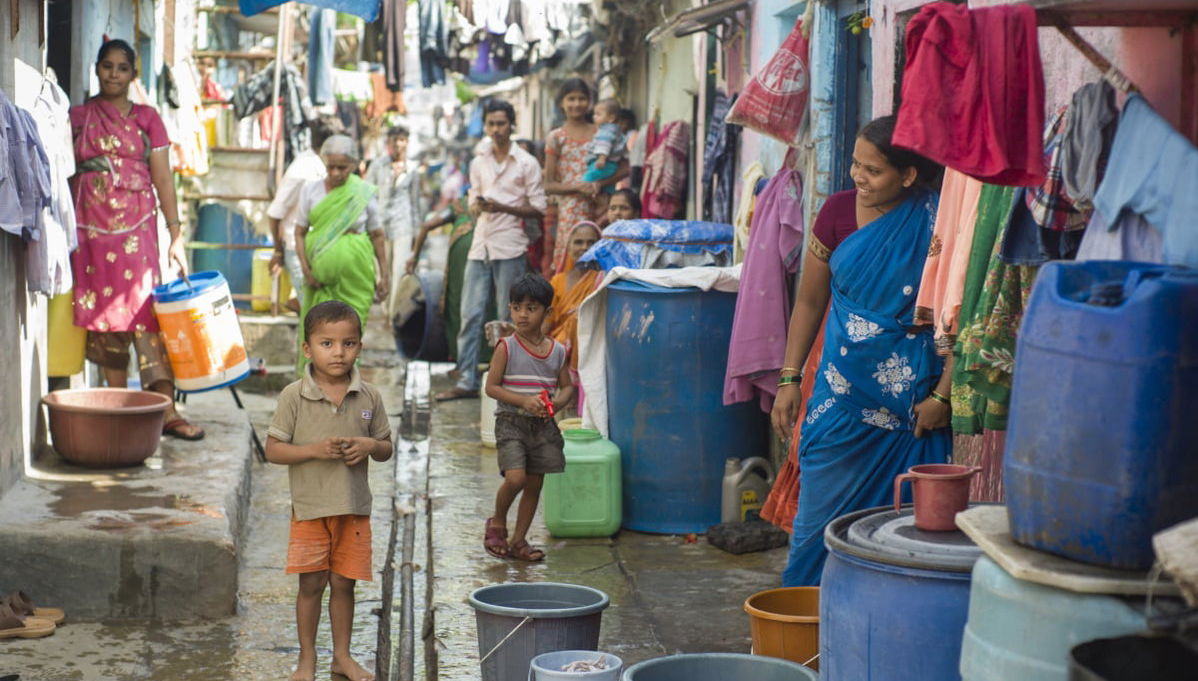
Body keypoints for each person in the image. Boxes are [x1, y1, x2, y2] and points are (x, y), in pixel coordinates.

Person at [770, 115, 951, 587]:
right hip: (840, 401)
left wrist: (944, 397)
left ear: (907, 175)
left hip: (915, 412)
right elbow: (809, 301)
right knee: (813, 533)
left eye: (873, 170)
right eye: (855, 164)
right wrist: (789, 378)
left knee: (900, 542)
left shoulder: (937, 220)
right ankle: (800, 636)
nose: (858, 176)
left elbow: (958, 315)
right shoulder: (836, 212)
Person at [68, 38, 203, 440]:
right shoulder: (79, 116)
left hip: (139, 230)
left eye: (122, 68)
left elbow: (163, 178)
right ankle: (118, 412)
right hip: (91, 230)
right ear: (97, 69)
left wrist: (175, 236)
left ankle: (166, 411)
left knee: (146, 315)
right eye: (107, 66)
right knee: (107, 321)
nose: (113, 74)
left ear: (133, 74)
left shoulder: (148, 118)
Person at [265, 300, 393, 681]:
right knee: (311, 584)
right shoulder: (294, 395)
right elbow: (273, 450)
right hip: (309, 508)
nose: (338, 352)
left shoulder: (368, 396)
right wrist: (313, 450)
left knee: (343, 583)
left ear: (360, 345)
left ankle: (342, 657)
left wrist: (369, 446)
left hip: (353, 508)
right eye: (327, 344)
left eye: (348, 343)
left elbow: (386, 447)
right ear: (308, 348)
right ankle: (307, 660)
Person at [435, 99, 546, 401]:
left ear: (512, 125)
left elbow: (538, 208)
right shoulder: (478, 161)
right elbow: (472, 199)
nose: (496, 129)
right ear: (486, 126)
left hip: (510, 245)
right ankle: (467, 379)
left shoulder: (526, 163)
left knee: (506, 318)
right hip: (481, 243)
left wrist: (502, 207)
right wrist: (478, 206)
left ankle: (506, 384)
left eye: (501, 123)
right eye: (491, 124)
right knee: (469, 315)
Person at [483, 274, 575, 561]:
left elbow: (567, 386)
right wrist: (524, 400)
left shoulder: (557, 351)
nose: (522, 315)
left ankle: (519, 540)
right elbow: (492, 387)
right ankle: (498, 521)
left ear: (547, 312)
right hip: (511, 422)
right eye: (517, 307)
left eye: (531, 308)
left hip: (543, 426)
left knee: (535, 484)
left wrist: (556, 403)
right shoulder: (506, 347)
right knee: (516, 478)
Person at [294, 135, 389, 375]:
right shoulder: (310, 190)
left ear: (354, 165)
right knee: (318, 332)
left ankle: (346, 387)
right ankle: (314, 389)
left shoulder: (362, 193)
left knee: (350, 333)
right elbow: (299, 233)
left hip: (357, 279)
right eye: (330, 167)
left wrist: (384, 276)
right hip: (319, 282)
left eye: (342, 167)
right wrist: (306, 269)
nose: (335, 173)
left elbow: (377, 235)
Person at [542, 79, 628, 274]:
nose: (576, 104)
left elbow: (625, 169)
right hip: (570, 212)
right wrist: (578, 187)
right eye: (571, 99)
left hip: (603, 208)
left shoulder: (604, 132)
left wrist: (600, 183)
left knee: (601, 264)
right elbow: (548, 185)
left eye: (582, 99)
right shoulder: (556, 137)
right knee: (571, 265)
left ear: (589, 102)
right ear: (561, 103)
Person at [269, 116, 343, 311]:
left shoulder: (323, 168)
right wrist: (278, 251)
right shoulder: (302, 171)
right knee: (316, 316)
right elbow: (275, 213)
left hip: (321, 251)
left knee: (318, 314)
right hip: (299, 251)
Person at [364, 125, 421, 303]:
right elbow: (367, 194)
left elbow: (415, 203)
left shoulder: (412, 169)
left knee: (399, 271)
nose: (398, 144)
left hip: (403, 226)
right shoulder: (378, 165)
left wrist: (417, 234)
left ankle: (393, 314)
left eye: (402, 140)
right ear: (388, 142)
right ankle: (384, 308)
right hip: (379, 225)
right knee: (383, 270)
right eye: (394, 140)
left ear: (407, 142)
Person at [544, 221, 602, 370]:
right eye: (578, 242)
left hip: (592, 349)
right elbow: (546, 322)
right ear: (568, 247)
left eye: (591, 242)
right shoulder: (558, 281)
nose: (584, 247)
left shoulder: (602, 279)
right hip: (558, 348)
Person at [581, 99, 628, 195]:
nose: (594, 117)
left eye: (598, 114)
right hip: (612, 166)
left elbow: (604, 144)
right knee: (608, 189)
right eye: (594, 114)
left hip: (603, 165)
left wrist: (601, 158)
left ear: (611, 118)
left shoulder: (606, 131)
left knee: (586, 182)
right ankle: (605, 200)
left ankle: (593, 200)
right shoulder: (616, 131)